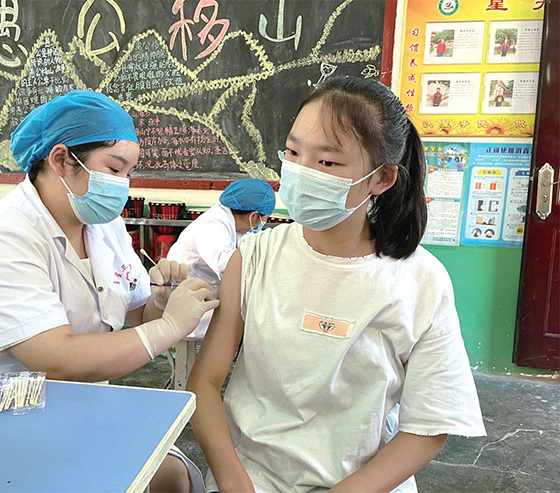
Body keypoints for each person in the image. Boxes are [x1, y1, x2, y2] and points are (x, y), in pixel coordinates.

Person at [187, 77, 486, 492]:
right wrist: (235, 482)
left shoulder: (421, 280)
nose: (301, 172)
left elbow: (429, 426)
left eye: (327, 163)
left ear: (382, 179)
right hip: (254, 479)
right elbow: (203, 383)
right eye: (293, 153)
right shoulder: (254, 258)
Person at [0, 90, 219, 492]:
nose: (123, 185)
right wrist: (169, 327)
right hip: (6, 411)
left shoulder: (103, 225)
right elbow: (56, 359)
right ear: (60, 159)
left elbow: (135, 311)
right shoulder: (0, 236)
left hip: (83, 403)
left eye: (129, 172)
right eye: (114, 168)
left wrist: (160, 303)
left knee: (173, 477)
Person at [166, 178, 276, 340]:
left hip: (206, 294)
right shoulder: (214, 225)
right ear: (253, 216)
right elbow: (227, 265)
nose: (262, 224)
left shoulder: (235, 225)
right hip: (190, 300)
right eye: (265, 219)